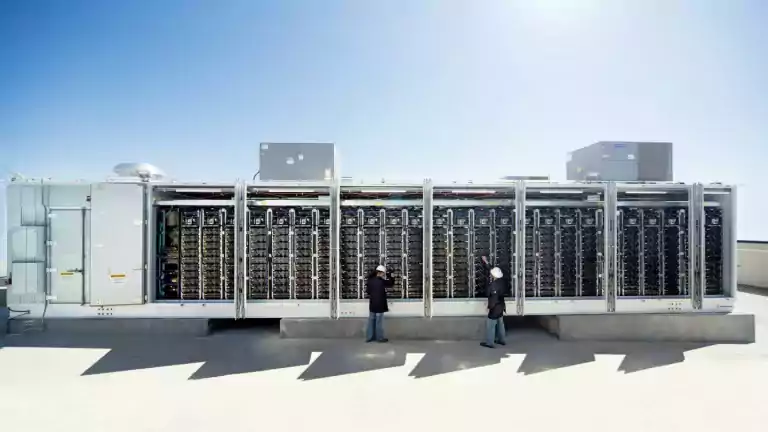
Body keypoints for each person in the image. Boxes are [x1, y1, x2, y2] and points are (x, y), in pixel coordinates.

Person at [480, 256, 506, 348]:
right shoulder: (501, 281)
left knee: (490, 325)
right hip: (501, 306)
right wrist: (485, 261)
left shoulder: (493, 286)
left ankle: (490, 343)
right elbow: (492, 269)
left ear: (494, 276)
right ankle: (502, 340)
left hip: (495, 307)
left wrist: (489, 307)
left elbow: (493, 298)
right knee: (500, 323)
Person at [366, 264, 393, 343]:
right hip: (380, 305)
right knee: (378, 322)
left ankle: (370, 337)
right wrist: (390, 275)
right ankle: (380, 338)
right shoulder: (381, 281)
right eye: (383, 274)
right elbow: (391, 283)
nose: (383, 275)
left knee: (371, 321)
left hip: (372, 304)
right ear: (380, 273)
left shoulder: (370, 281)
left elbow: (368, 291)